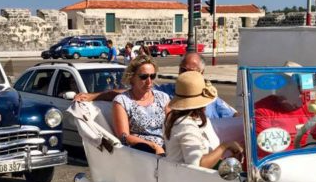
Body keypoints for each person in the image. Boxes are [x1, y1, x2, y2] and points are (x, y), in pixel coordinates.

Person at [75, 52, 237, 119]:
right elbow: (127, 93)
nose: (184, 74)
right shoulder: (165, 92)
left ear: (201, 73)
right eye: (182, 69)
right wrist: (93, 96)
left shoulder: (211, 98)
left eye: (189, 71)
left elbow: (234, 116)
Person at [164, 72, 243, 168]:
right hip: (185, 180)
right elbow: (198, 165)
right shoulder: (185, 125)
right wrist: (225, 146)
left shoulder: (189, 120)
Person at [254, 61, 316, 156]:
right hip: (273, 165)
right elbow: (265, 151)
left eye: (290, 85)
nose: (282, 89)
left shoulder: (309, 109)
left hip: (300, 161)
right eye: (282, 84)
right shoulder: (262, 110)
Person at [112, 55, 170, 155]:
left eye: (152, 76)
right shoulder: (122, 101)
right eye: (144, 77)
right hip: (141, 153)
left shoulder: (163, 98)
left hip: (167, 149)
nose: (149, 81)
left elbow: (172, 126)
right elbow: (124, 136)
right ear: (131, 77)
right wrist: (153, 146)